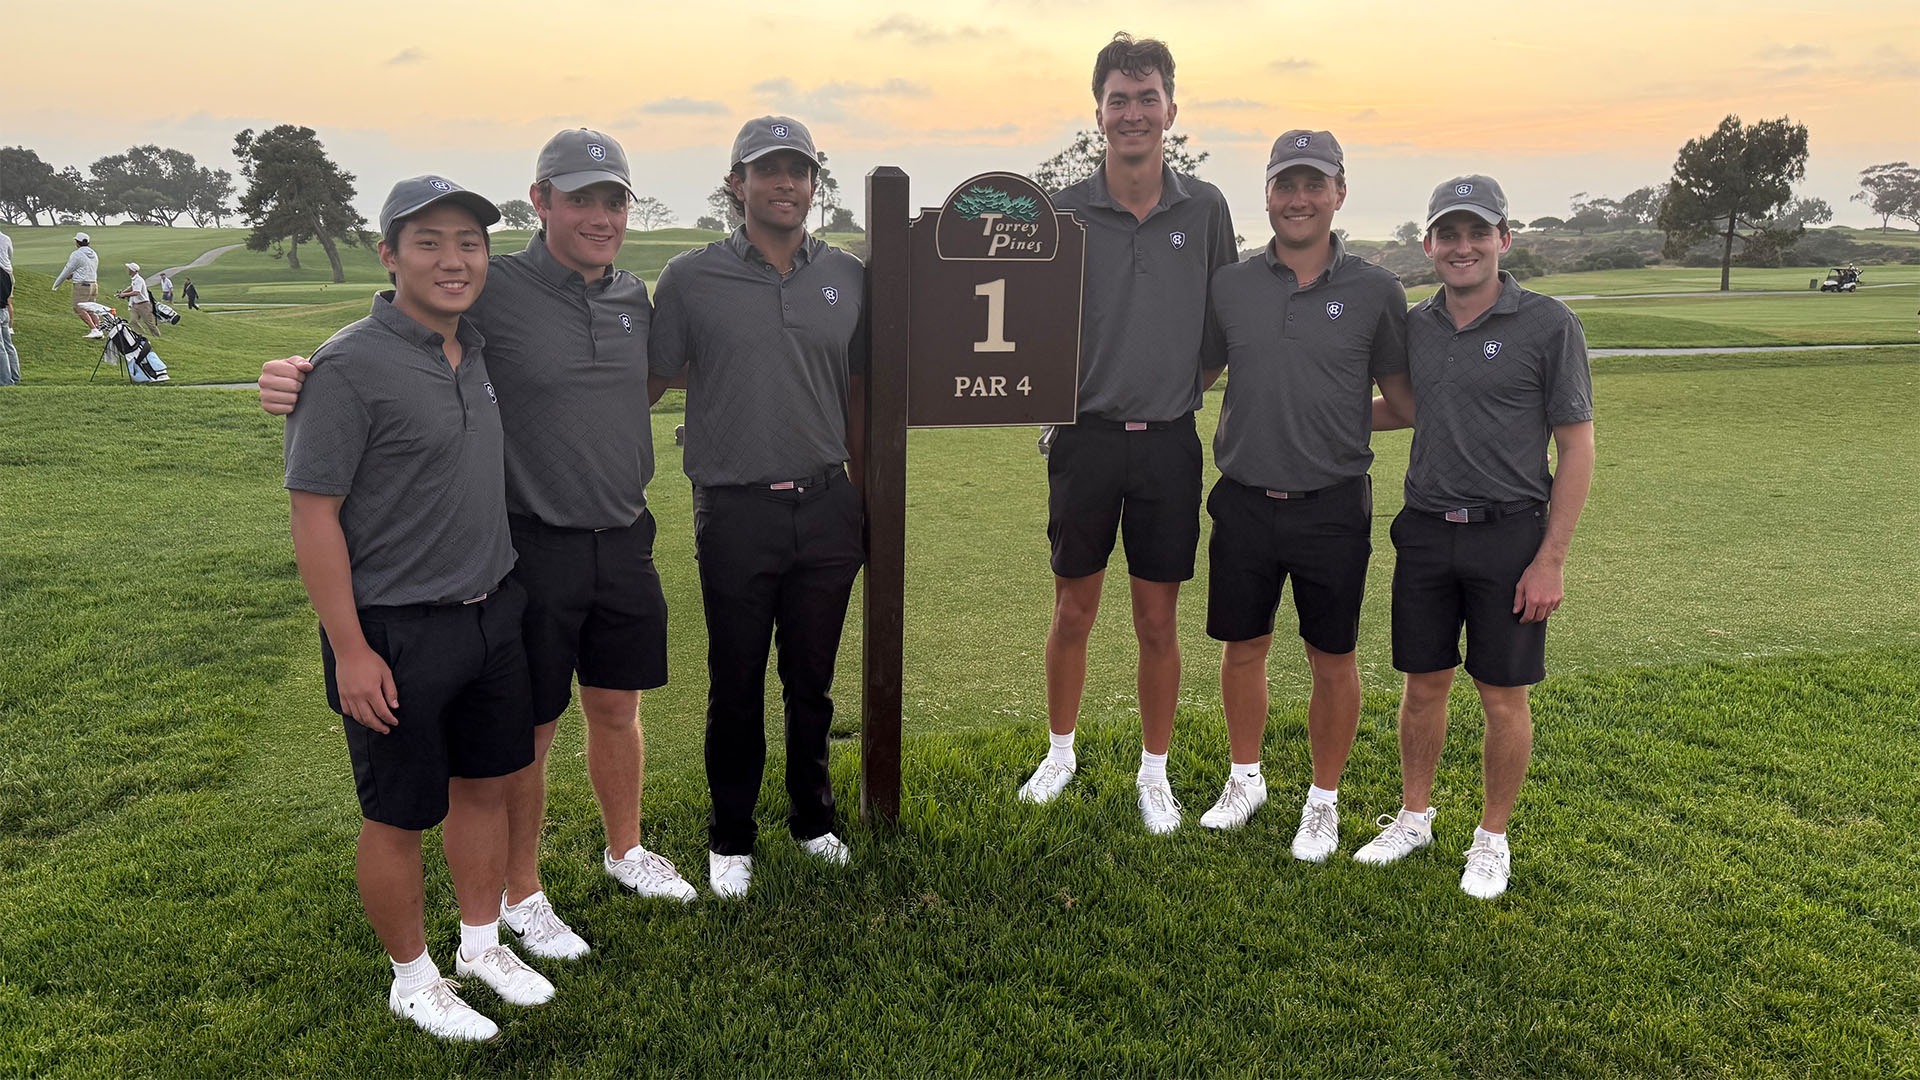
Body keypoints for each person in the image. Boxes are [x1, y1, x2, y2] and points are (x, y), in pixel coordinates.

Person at [261, 128, 696, 957]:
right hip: (529, 541)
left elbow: (639, 386)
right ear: (541, 202)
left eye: (613, 199)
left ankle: (626, 849)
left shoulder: (635, 296)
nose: (599, 215)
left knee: (617, 704)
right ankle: (523, 892)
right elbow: (396, 329)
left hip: (626, 533)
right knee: (528, 729)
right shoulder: (497, 287)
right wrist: (290, 374)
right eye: (580, 198)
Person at [284, 175, 556, 1041]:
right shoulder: (346, 365)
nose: (453, 259)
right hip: (394, 631)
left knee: (486, 788)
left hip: (490, 613)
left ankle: (482, 944)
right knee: (398, 814)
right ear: (389, 254)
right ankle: (413, 978)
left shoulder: (473, 350)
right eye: (429, 242)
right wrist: (351, 649)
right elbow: (313, 513)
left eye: (469, 243)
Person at [1016, 32, 1237, 834]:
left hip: (1170, 443)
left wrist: (1174, 392)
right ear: (1099, 111)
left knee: (1156, 620)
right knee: (1074, 609)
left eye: (1149, 98)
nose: (1134, 113)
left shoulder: (1205, 208)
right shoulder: (1066, 211)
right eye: (1119, 99)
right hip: (1085, 439)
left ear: (1172, 108)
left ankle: (1155, 771)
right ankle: (1061, 752)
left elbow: (1220, 331)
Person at [1354, 175, 1596, 900]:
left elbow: (1576, 448)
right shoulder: (1415, 326)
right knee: (1423, 685)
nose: (1463, 247)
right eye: (1448, 234)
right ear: (1428, 244)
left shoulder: (1549, 324)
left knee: (1501, 696)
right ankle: (1414, 816)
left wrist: (1551, 559)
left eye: (1477, 233)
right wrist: (1306, 411)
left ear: (1503, 239)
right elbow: (1404, 409)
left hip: (1510, 536)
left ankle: (1491, 839)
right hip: (1426, 531)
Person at [647, 115, 867, 898]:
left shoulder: (846, 272)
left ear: (815, 182)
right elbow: (643, 381)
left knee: (811, 680)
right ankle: (730, 834)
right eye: (767, 170)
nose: (785, 184)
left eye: (799, 171)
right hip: (735, 509)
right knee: (735, 678)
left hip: (828, 503)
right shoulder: (689, 278)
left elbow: (868, 387)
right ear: (735, 182)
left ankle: (813, 818)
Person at [1193, 131, 1413, 862]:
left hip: (1332, 503)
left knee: (1332, 658)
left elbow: (1405, 402)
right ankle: (1245, 779)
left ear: (1339, 193)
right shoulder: (1231, 284)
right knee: (1243, 648)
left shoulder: (1376, 290)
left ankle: (1323, 802)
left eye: (1314, 184)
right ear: (1267, 193)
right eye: (1286, 184)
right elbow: (1189, 377)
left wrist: (1340, 417)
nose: (1299, 198)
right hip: (1245, 498)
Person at [50, 231, 103, 338]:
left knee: (78, 307)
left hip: (82, 285)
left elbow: (67, 269)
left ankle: (94, 329)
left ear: (77, 242)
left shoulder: (77, 254)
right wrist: (74, 275)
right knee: (90, 308)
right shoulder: (93, 254)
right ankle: (99, 329)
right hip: (93, 285)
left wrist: (56, 284)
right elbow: (85, 269)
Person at [116, 262, 161, 337]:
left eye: (129, 269)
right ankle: (142, 335)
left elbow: (136, 292)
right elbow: (131, 287)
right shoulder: (134, 279)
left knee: (149, 323)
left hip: (144, 305)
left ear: (132, 270)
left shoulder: (138, 280)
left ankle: (157, 336)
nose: (127, 270)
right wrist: (122, 292)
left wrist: (124, 294)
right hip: (135, 305)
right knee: (133, 321)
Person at [0, 255, 19, 387]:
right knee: (8, 345)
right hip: (4, 311)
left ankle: (5, 381)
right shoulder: (6, 274)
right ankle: (15, 376)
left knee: (1, 349)